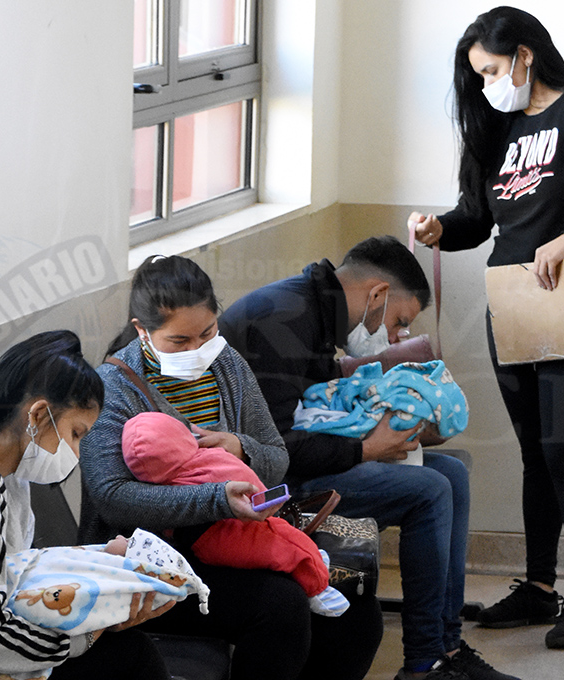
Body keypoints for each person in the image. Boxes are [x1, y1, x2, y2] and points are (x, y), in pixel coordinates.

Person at [408, 6, 564, 649]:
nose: (486, 84)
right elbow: (476, 219)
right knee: (536, 454)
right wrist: (440, 228)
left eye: (493, 69)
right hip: (513, 303)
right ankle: (541, 588)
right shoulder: (494, 127)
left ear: (524, 54)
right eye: (478, 75)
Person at [220, 235, 518, 680]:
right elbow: (274, 451)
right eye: (400, 322)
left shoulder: (314, 312)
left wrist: (404, 429)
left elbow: (321, 412)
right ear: (377, 294)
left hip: (303, 460)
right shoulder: (284, 319)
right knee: (430, 490)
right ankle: (424, 663)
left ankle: (448, 646)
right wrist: (367, 448)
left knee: (452, 472)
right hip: (264, 487)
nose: (396, 337)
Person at [77, 254, 383, 680]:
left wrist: (241, 448)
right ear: (142, 330)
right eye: (179, 341)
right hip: (151, 559)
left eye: (207, 332)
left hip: (237, 534)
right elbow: (112, 498)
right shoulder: (113, 389)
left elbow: (277, 456)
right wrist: (217, 498)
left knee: (355, 613)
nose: (197, 350)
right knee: (280, 607)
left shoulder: (226, 365)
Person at [0, 330, 171, 680]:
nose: (77, 453)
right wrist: (87, 636)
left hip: (12, 641)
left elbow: (22, 571)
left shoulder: (13, 480)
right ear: (38, 415)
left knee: (132, 648)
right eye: (76, 434)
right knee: (133, 656)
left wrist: (101, 561)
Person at [121, 410, 349, 616]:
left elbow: (278, 455)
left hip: (193, 542)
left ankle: (314, 561)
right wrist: (251, 494)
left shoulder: (158, 483)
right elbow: (252, 484)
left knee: (284, 547)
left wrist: (242, 446)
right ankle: (319, 588)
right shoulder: (209, 458)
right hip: (228, 532)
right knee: (287, 546)